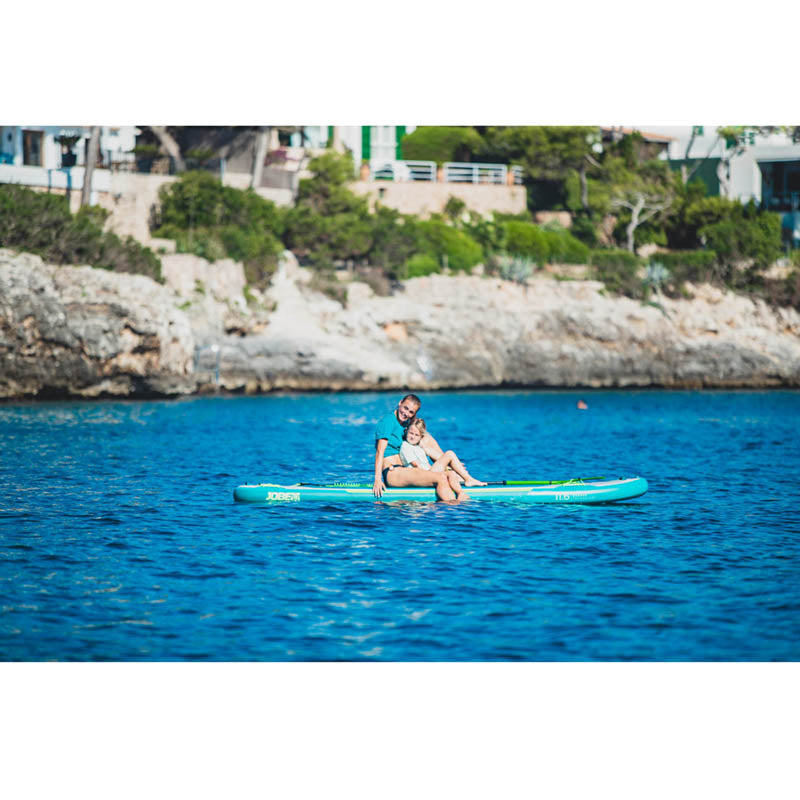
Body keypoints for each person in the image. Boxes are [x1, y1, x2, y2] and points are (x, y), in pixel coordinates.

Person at [373, 394, 460, 501]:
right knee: (441, 477)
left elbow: (425, 435)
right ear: (400, 403)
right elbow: (379, 452)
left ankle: (449, 470)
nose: (406, 413)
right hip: (392, 472)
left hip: (404, 470)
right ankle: (454, 509)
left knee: (424, 436)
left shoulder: (405, 424)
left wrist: (445, 462)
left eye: (411, 412)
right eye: (405, 408)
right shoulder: (388, 421)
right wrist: (377, 479)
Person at [400, 418, 486, 488]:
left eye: (416, 435)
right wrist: (435, 475)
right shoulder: (406, 446)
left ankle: (466, 479)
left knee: (453, 471)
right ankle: (468, 479)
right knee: (449, 454)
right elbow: (416, 466)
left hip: (428, 472)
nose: (413, 437)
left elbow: (433, 458)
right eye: (411, 433)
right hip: (422, 476)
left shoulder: (418, 446)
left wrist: (448, 467)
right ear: (406, 431)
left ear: (421, 437)